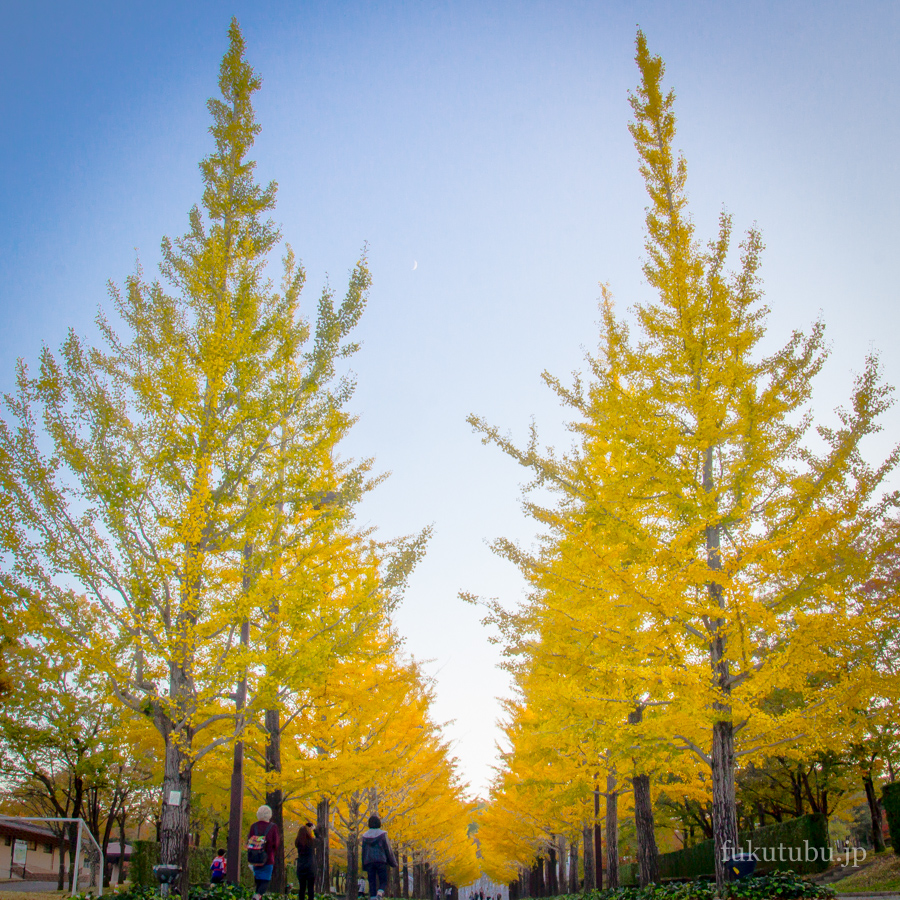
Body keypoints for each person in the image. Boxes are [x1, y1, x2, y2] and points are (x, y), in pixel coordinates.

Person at [247, 804, 281, 900]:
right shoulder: (273, 827)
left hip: (254, 858)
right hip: (268, 857)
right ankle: (257, 896)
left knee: (258, 880)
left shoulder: (253, 826)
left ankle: (257, 895)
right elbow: (276, 843)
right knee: (265, 880)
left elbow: (249, 840)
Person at [360, 815, 397, 900]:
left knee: (372, 882)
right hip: (381, 860)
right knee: (383, 880)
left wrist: (364, 865)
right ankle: (380, 894)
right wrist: (393, 862)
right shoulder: (383, 834)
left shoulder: (365, 836)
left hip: (369, 861)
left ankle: (373, 898)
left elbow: (364, 851)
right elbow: (388, 849)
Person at [295, 822, 317, 900]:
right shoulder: (311, 842)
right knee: (311, 888)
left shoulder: (298, 842)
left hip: (301, 867)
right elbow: (320, 840)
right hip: (310, 868)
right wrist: (315, 830)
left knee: (302, 888)